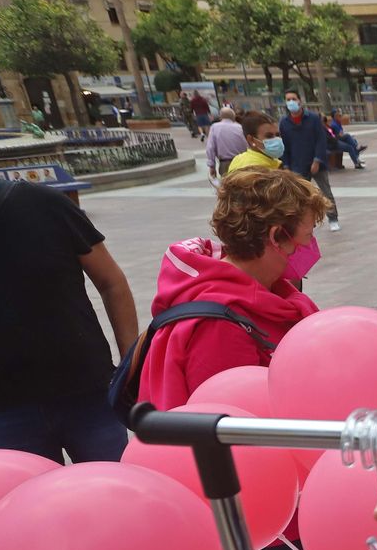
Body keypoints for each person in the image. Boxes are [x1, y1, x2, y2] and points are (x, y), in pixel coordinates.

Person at [137, 169, 326, 411]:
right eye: (308, 236)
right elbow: (233, 423)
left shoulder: (269, 289)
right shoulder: (220, 327)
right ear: (277, 236)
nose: (310, 246)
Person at [0, 179, 138, 463]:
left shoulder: (41, 202)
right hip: (0, 410)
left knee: (113, 493)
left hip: (87, 395)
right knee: (26, 504)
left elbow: (111, 282)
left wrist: (131, 364)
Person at [278, 89, 341, 232]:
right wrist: (286, 165)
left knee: (325, 191)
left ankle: (333, 218)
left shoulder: (312, 118)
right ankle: (306, 222)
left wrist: (317, 160)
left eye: (293, 98)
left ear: (300, 100)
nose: (291, 102)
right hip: (296, 163)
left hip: (316, 162)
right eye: (288, 100)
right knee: (301, 196)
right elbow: (284, 146)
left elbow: (321, 140)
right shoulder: (284, 123)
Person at [226, 111, 284, 175]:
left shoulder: (241, 159)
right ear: (251, 140)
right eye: (269, 136)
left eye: (278, 135)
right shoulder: (254, 171)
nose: (276, 139)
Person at [205, 106, 246, 180]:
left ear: (220, 117)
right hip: (241, 162)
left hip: (225, 163)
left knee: (227, 186)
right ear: (233, 117)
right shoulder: (240, 127)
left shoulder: (214, 127)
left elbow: (210, 147)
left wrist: (212, 166)